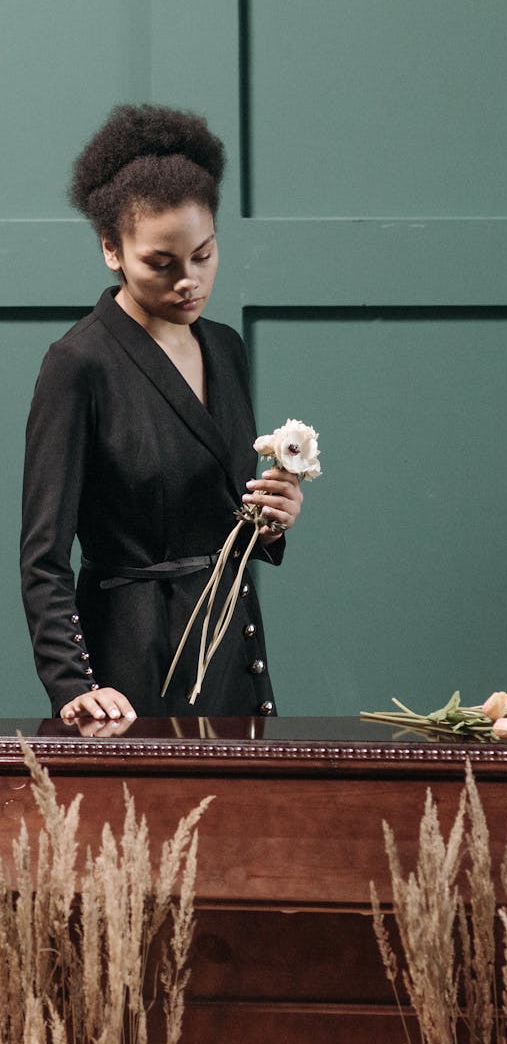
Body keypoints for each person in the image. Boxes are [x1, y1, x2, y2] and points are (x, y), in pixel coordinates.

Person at [20, 104, 302, 725]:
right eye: (161, 263)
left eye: (203, 255)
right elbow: (43, 554)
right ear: (111, 250)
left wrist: (271, 520)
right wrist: (73, 685)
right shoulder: (77, 364)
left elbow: (216, 506)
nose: (189, 282)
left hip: (231, 647)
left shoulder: (224, 347)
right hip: (129, 661)